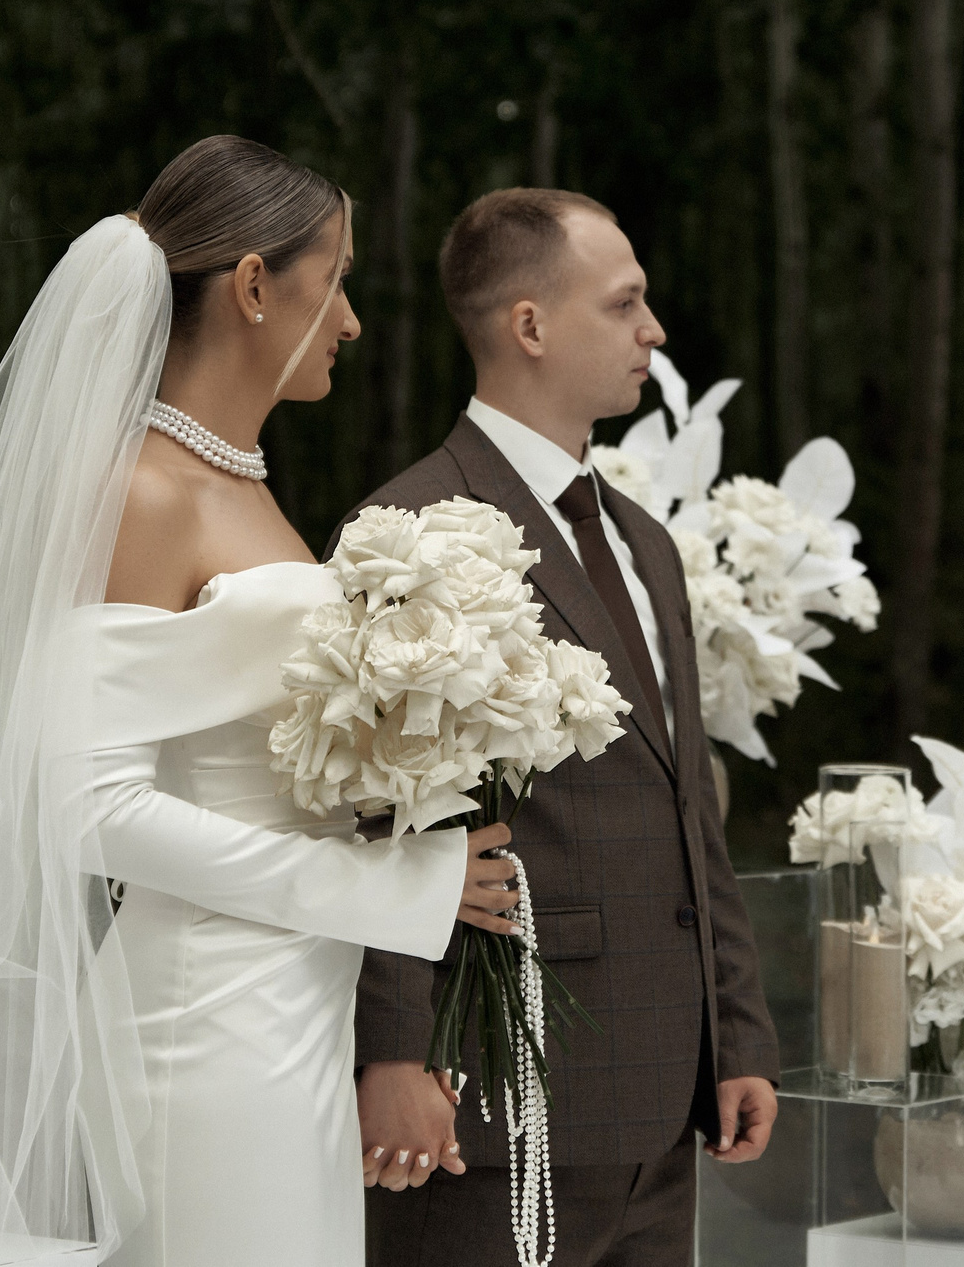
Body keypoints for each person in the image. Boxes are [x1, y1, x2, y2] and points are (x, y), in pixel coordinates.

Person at [0, 136, 515, 1265]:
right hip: (206, 1018)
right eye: (340, 275)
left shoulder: (243, 486)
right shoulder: (140, 490)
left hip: (292, 1007)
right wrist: (386, 886)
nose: (355, 318)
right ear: (259, 285)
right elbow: (88, 808)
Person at [350, 188, 781, 1267]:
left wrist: (736, 1033)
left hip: (663, 1093)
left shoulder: (645, 543)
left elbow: (688, 804)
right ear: (529, 324)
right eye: (626, 302)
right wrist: (393, 1051)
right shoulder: (408, 529)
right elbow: (377, 810)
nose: (655, 330)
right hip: (499, 1094)